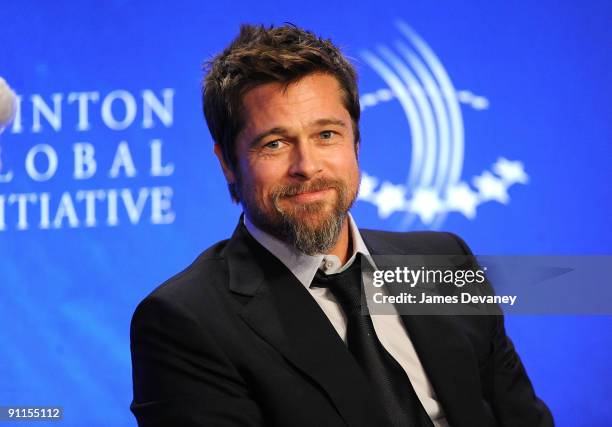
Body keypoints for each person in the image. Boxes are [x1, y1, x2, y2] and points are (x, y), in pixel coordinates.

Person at [130, 23, 553, 427]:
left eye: (327, 134)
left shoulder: (444, 261)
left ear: (356, 141)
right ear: (227, 164)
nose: (307, 166)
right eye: (274, 144)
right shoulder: (186, 321)